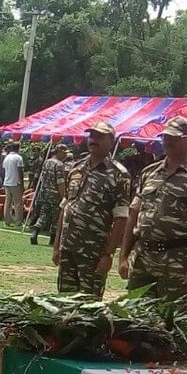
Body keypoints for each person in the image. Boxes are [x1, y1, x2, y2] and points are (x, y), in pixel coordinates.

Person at [118, 116, 187, 314]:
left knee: (173, 321)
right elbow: (134, 215)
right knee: (136, 319)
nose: (168, 141)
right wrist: (123, 256)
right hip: (143, 256)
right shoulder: (149, 172)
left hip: (177, 259)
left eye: (174, 137)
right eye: (165, 137)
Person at [52, 122, 130, 298]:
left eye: (100, 137)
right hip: (68, 249)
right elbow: (65, 208)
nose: (93, 140)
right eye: (91, 136)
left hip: (93, 253)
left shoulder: (118, 174)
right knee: (64, 301)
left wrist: (108, 255)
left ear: (111, 141)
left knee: (88, 305)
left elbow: (121, 218)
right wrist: (57, 246)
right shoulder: (76, 168)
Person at [28, 144, 68, 245]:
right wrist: (63, 196)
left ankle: (36, 229)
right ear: (58, 151)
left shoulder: (47, 162)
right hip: (55, 195)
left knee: (44, 214)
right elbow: (60, 182)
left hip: (44, 193)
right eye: (64, 153)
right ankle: (52, 239)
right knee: (56, 217)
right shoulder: (59, 165)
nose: (65, 155)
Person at [2, 142, 24, 226]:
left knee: (8, 202)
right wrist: (21, 184)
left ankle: (7, 220)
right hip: (15, 182)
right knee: (18, 203)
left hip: (7, 182)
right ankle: (19, 220)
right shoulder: (18, 158)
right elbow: (20, 171)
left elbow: (4, 169)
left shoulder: (7, 157)